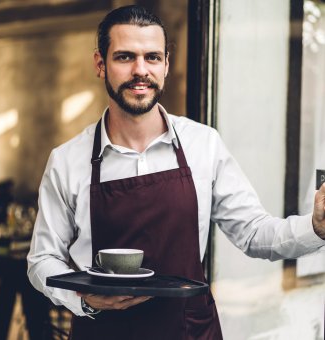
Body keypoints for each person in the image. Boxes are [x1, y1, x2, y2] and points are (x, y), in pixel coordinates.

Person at [27, 5, 325, 340]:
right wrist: (85, 300)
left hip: (189, 331)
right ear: (100, 64)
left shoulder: (204, 145)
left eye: (152, 57)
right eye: (125, 57)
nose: (141, 70)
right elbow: (42, 260)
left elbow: (255, 234)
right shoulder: (67, 160)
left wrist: (315, 227)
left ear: (166, 64)